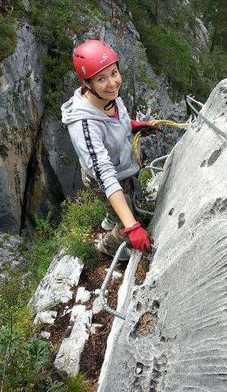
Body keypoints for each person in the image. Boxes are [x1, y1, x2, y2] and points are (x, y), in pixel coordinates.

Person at [61, 39, 160, 258]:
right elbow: (105, 176)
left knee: (127, 206)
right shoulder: (84, 125)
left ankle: (111, 218)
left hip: (122, 167)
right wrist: (132, 227)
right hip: (105, 177)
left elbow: (115, 122)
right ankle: (103, 250)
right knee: (126, 227)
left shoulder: (109, 98)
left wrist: (132, 126)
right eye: (101, 79)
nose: (112, 83)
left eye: (114, 73)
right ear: (88, 84)